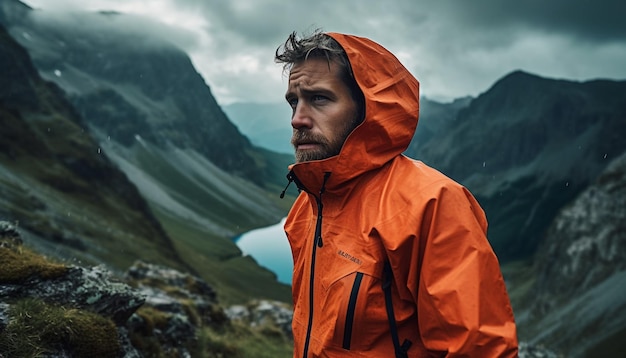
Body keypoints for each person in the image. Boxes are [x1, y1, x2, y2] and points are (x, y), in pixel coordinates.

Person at [276, 30, 518, 357]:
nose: (298, 119)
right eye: (294, 101)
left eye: (319, 98)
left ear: (366, 109)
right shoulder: (309, 204)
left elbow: (479, 350)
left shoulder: (432, 204)